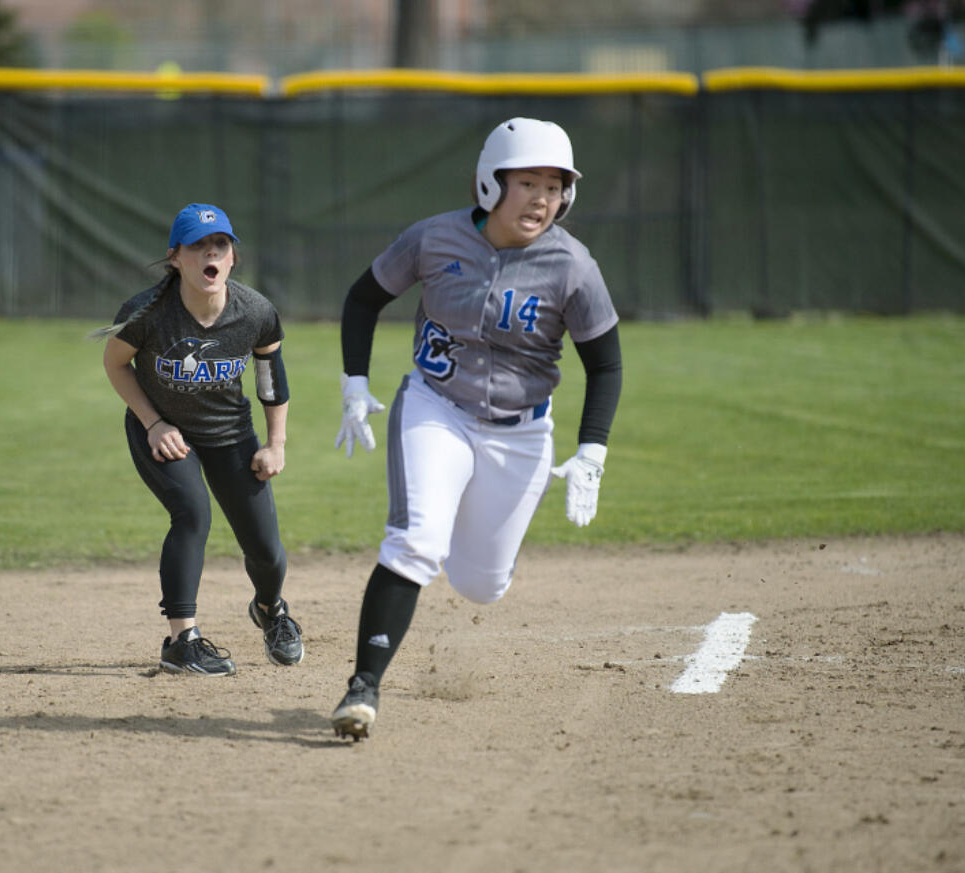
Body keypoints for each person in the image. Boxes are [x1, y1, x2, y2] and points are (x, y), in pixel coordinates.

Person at [329, 118, 623, 739]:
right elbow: (363, 298)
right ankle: (363, 689)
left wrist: (591, 450)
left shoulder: (572, 265)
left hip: (520, 434)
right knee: (414, 542)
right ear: (491, 184)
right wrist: (355, 382)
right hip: (436, 408)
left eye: (555, 186)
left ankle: (472, 553)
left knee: (482, 585)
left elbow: (607, 364)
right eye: (529, 183)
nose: (543, 199)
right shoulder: (434, 239)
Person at [93, 203, 304, 677]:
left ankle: (270, 610)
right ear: (176, 259)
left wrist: (277, 444)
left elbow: (270, 380)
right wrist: (152, 422)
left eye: (221, 245)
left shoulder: (254, 312)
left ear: (232, 258)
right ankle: (181, 642)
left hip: (230, 433)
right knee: (192, 513)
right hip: (166, 431)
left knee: (265, 549)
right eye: (198, 246)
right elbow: (115, 364)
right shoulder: (147, 313)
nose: (211, 252)